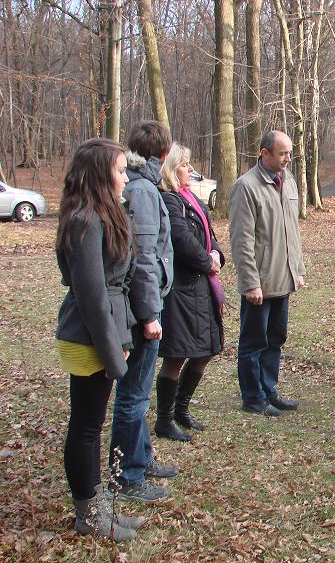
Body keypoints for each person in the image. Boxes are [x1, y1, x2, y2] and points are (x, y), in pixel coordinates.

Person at [56, 138, 145, 541]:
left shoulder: (101, 215)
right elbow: (92, 296)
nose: (126, 177)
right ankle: (88, 513)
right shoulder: (85, 220)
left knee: (91, 423)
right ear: (99, 174)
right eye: (120, 170)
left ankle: (98, 504)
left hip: (105, 331)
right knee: (88, 426)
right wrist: (114, 353)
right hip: (89, 334)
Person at [109, 121, 176, 503]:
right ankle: (126, 476)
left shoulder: (139, 184)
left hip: (142, 306)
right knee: (133, 395)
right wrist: (150, 314)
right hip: (141, 311)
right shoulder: (144, 191)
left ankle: (142, 458)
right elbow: (145, 259)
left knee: (138, 392)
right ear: (163, 155)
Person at [229, 130, 306, 417]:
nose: (288, 158)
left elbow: (292, 231)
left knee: (276, 337)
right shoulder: (245, 187)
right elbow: (241, 239)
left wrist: (297, 268)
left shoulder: (289, 183)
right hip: (259, 283)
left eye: (289, 152)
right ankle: (252, 397)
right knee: (253, 341)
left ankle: (269, 389)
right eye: (283, 153)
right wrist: (250, 283)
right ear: (265, 153)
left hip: (282, 278)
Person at [155, 143, 225, 441]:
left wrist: (218, 255)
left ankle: (182, 409)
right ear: (171, 168)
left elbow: (211, 236)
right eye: (185, 164)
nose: (190, 170)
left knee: (207, 350)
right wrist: (206, 261)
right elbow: (181, 240)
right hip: (182, 291)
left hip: (202, 288)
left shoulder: (190, 199)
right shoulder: (169, 200)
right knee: (177, 355)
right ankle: (165, 419)